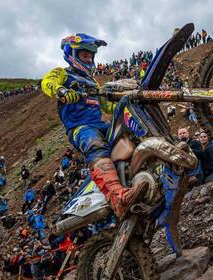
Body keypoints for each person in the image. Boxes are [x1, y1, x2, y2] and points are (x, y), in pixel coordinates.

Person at [41, 33, 148, 220]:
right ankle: (117, 195)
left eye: (91, 56)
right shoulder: (63, 73)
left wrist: (128, 107)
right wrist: (62, 91)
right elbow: (47, 82)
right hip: (80, 127)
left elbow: (106, 106)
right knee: (96, 145)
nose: (89, 59)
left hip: (101, 124)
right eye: (85, 55)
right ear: (72, 54)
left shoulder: (92, 82)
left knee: (129, 135)